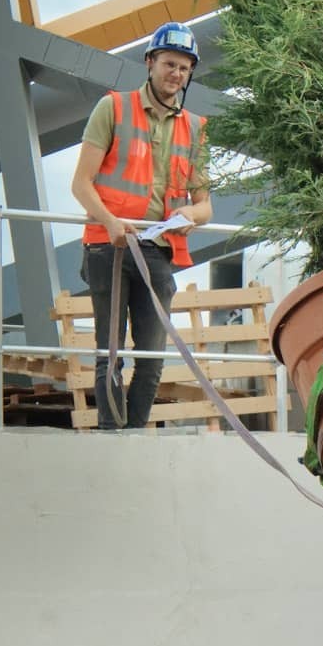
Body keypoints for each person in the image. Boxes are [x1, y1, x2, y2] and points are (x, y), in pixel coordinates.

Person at [70, 22, 213, 430]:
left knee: (151, 360)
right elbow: (81, 184)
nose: (177, 74)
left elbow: (206, 206)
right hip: (108, 245)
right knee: (110, 355)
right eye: (170, 64)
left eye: (185, 68)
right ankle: (113, 438)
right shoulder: (113, 108)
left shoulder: (196, 129)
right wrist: (112, 223)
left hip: (158, 250)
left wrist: (192, 215)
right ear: (150, 62)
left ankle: (133, 439)